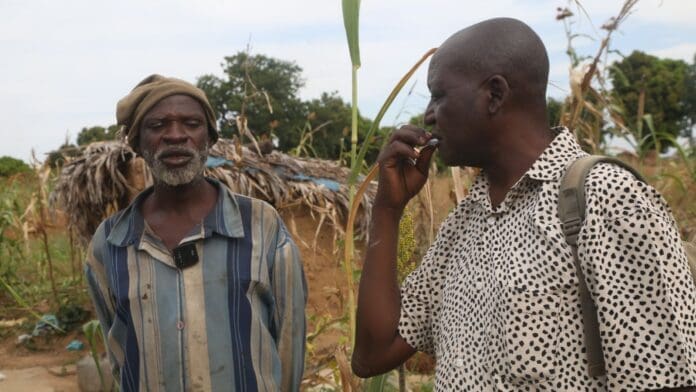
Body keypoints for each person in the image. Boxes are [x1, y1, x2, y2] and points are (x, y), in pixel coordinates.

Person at [352, 18, 696, 391]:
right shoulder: (464, 223)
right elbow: (373, 355)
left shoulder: (608, 199)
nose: (428, 115)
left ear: (495, 95)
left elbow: (670, 378)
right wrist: (388, 209)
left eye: (439, 96)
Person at [85, 74, 307, 392]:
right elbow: (118, 350)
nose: (175, 135)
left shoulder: (261, 226)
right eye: (157, 125)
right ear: (137, 142)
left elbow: (290, 337)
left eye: (191, 123)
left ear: (209, 137)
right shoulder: (109, 244)